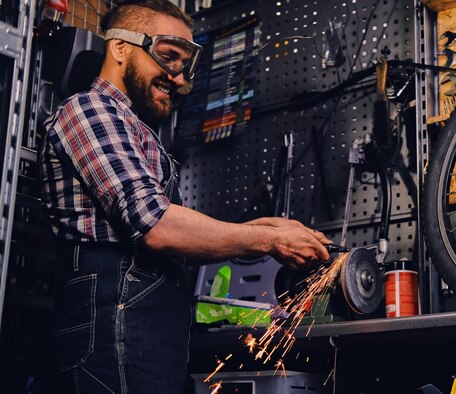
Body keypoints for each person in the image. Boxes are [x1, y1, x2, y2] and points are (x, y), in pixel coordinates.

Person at [37, 0, 331, 393]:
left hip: (146, 336)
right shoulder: (90, 110)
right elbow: (157, 226)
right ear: (120, 48)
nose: (178, 78)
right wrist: (266, 239)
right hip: (111, 336)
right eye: (167, 56)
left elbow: (173, 227)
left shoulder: (136, 130)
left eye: (184, 65)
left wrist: (257, 231)